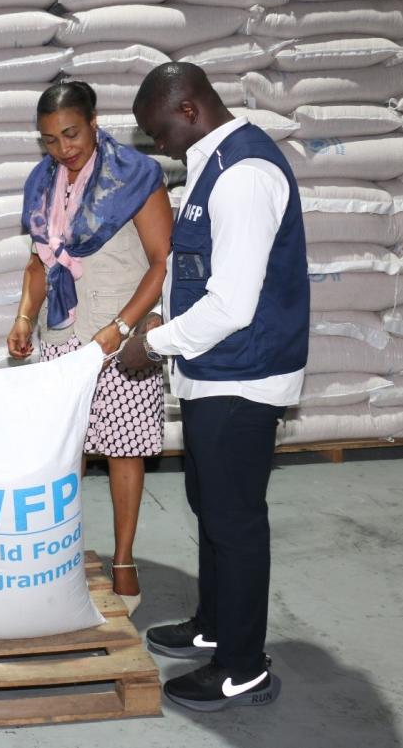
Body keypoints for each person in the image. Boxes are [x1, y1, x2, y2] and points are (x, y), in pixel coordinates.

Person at [122, 62, 309, 712]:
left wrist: (153, 342)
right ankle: (213, 624)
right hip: (213, 371)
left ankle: (241, 667)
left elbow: (231, 303)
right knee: (210, 506)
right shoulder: (212, 158)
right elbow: (203, 269)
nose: (155, 145)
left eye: (157, 131)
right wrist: (164, 322)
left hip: (244, 375)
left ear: (189, 108)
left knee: (234, 521)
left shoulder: (243, 175)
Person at [7, 80, 173, 616]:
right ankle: (62, 557)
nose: (63, 149)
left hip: (120, 335)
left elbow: (161, 263)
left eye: (71, 134)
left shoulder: (136, 176)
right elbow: (40, 261)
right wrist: (25, 317)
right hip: (64, 332)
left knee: (123, 447)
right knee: (64, 451)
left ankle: (123, 559)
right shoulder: (42, 183)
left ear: (95, 121)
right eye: (50, 140)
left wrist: (123, 328)